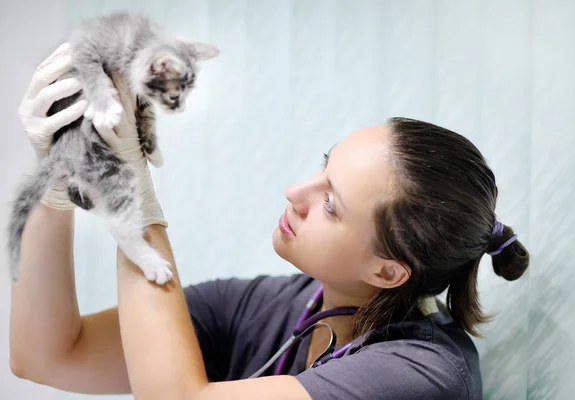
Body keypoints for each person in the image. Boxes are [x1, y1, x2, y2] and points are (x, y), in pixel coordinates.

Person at [9, 44, 529, 400]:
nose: (295, 193)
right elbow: (51, 354)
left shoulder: (423, 373)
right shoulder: (263, 307)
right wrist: (60, 178)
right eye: (324, 165)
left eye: (330, 204)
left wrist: (131, 197)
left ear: (389, 271)